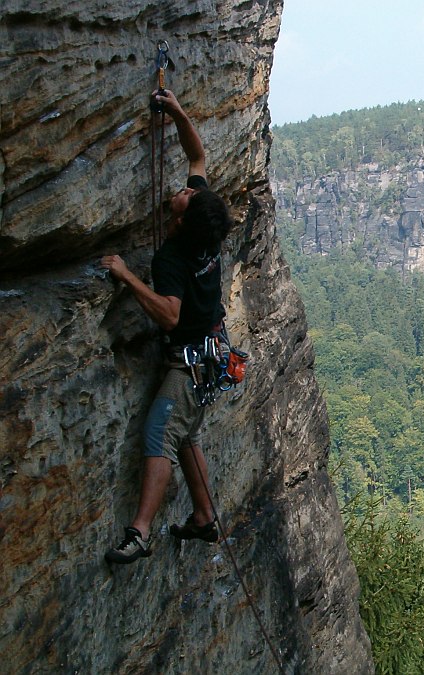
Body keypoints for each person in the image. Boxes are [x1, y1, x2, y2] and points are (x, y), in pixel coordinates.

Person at [101, 89, 233, 564]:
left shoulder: (173, 257)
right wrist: (178, 112)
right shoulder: (206, 223)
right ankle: (203, 517)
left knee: (161, 430)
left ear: (181, 219)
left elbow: (170, 315)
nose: (182, 190)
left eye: (183, 196)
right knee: (188, 432)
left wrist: (126, 275)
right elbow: (196, 153)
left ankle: (139, 532)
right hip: (217, 351)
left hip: (192, 361)